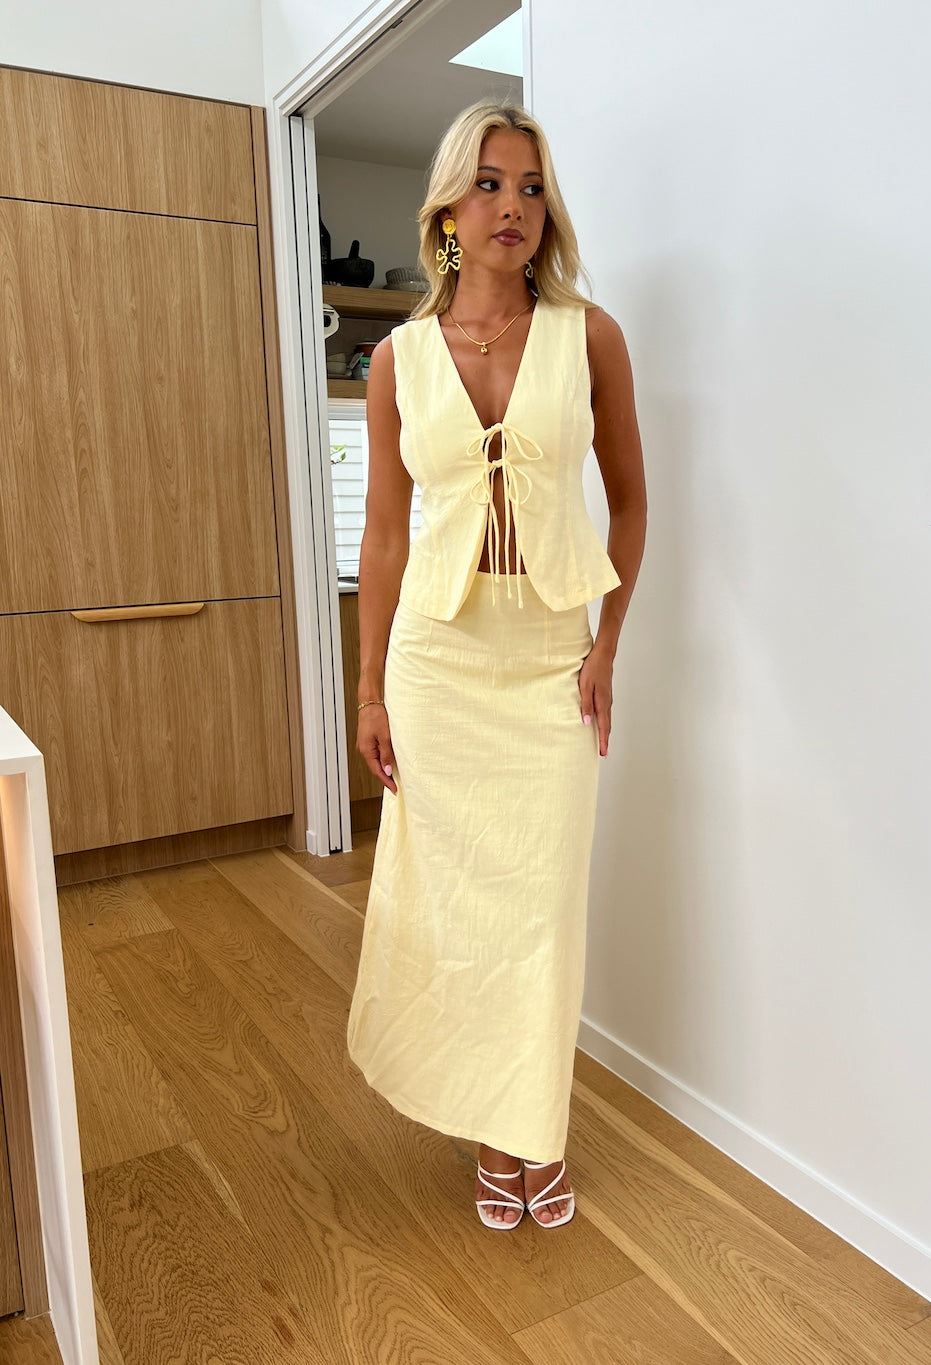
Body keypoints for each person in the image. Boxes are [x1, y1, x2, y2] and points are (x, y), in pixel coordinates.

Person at [346, 99, 646, 1230]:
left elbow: (632, 503)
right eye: (487, 183)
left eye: (529, 187)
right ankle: (495, 1133)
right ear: (445, 212)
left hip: (548, 658)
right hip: (438, 662)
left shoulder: (589, 337)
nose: (511, 206)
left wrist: (607, 642)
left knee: (543, 912)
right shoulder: (397, 359)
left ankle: (534, 1127)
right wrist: (369, 686)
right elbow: (385, 534)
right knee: (455, 910)